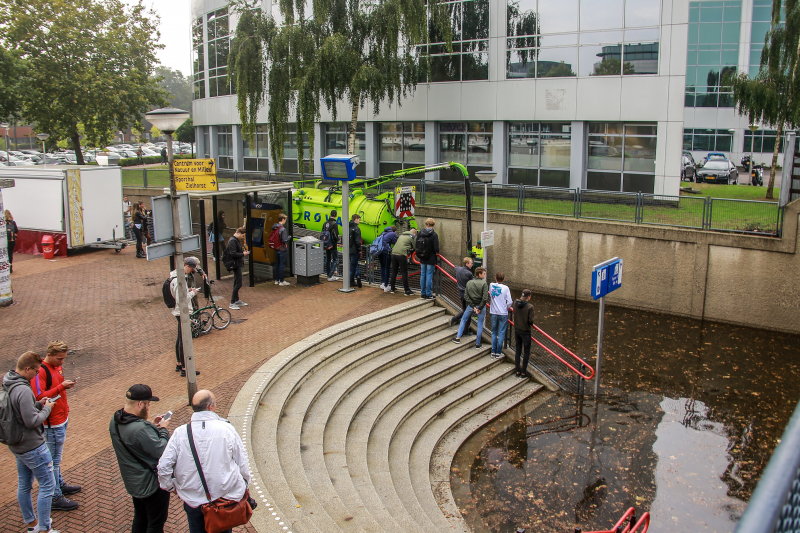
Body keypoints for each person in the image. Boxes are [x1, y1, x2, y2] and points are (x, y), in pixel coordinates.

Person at [158, 390, 251, 533]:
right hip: (223, 501)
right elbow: (242, 461)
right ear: (210, 407)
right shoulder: (226, 430)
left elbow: (163, 467)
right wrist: (244, 484)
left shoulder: (180, 433)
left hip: (193, 501)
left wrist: (172, 487)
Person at [4, 351, 59, 533]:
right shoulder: (23, 389)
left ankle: (31, 524)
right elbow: (31, 421)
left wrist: (37, 405)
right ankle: (44, 528)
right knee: (47, 486)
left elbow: (18, 412)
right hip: (32, 446)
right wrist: (47, 409)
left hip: (17, 445)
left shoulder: (8, 382)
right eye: (35, 371)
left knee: (24, 484)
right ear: (27, 368)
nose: (37, 374)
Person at [110, 384, 172, 533]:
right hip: (151, 484)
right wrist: (163, 428)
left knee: (140, 516)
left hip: (134, 483)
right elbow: (162, 449)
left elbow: (136, 439)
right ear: (140, 404)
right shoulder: (140, 429)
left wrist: (151, 426)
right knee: (156, 523)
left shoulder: (116, 420)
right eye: (148, 404)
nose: (148, 408)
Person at [31, 341, 81, 512]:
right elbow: (39, 397)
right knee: (52, 461)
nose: (62, 363)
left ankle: (58, 485)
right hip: (51, 423)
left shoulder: (56, 367)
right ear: (49, 355)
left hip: (61, 417)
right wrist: (61, 387)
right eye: (59, 359)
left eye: (64, 359)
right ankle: (54, 496)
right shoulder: (41, 372)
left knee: (56, 461)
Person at [170, 258, 202, 377]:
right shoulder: (180, 280)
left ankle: (179, 364)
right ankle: (185, 368)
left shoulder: (173, 276)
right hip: (182, 312)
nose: (191, 272)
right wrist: (192, 293)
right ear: (187, 266)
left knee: (180, 338)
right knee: (184, 340)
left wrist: (188, 291)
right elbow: (181, 300)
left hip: (178, 311)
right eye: (192, 269)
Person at [453, 267, 488, 348]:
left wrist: (473, 306)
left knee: (464, 319)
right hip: (481, 307)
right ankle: (478, 343)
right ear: (480, 274)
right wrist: (479, 307)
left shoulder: (469, 283)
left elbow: (466, 296)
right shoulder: (484, 284)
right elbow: (485, 297)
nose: (485, 275)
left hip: (471, 306)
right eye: (484, 274)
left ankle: (458, 337)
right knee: (480, 324)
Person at [488, 272, 513, 360]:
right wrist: (505, 308)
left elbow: (491, 294)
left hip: (494, 312)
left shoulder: (491, 285)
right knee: (501, 332)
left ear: (495, 278)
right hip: (503, 313)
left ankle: (493, 351)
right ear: (504, 279)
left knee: (494, 332)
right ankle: (499, 352)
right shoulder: (506, 288)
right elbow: (510, 302)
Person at [512, 289, 535, 379]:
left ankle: (517, 370)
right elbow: (531, 321)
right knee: (526, 352)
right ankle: (524, 372)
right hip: (525, 332)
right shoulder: (530, 307)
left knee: (518, 350)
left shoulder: (515, 303)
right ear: (528, 297)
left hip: (517, 330)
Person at [416, 218, 440, 300]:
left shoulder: (420, 233)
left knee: (423, 274)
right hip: (431, 257)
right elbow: (436, 248)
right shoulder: (434, 235)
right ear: (433, 225)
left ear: (426, 224)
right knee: (429, 275)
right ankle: (428, 293)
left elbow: (417, 244)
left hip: (422, 256)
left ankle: (423, 293)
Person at [389, 228, 416, 296]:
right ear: (414, 233)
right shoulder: (413, 236)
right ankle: (406, 290)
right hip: (401, 255)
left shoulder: (401, 235)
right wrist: (411, 249)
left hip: (394, 254)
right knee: (404, 272)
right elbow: (415, 247)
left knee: (394, 271)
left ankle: (392, 288)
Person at [227, 228, 249, 309]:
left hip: (237, 263)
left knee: (236, 282)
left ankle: (236, 300)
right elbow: (233, 254)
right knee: (238, 283)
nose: (243, 237)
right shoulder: (233, 241)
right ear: (239, 233)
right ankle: (232, 302)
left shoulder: (235, 240)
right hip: (236, 264)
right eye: (242, 235)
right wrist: (243, 254)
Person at [450, 257, 474, 326]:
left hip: (461, 293)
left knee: (465, 309)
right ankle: (455, 319)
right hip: (467, 294)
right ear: (467, 264)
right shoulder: (469, 273)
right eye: (471, 263)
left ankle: (464, 328)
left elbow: (455, 267)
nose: (472, 265)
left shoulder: (458, 269)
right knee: (467, 311)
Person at [271, 214, 291, 286]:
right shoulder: (282, 229)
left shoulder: (274, 227)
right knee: (282, 265)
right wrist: (289, 238)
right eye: (285, 219)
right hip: (282, 248)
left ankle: (276, 280)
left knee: (277, 264)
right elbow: (284, 239)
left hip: (276, 248)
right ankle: (281, 281)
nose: (285, 221)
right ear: (283, 219)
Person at [377, 225, 398, 290]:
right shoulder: (393, 234)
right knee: (387, 268)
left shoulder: (382, 233)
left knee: (382, 266)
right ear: (395, 231)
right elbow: (396, 243)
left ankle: (383, 283)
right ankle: (386, 286)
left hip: (379, 250)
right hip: (386, 251)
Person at [321, 210, 339, 281]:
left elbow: (322, 232)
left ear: (330, 214)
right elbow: (335, 235)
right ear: (336, 215)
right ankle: (330, 275)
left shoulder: (325, 223)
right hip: (333, 245)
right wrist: (338, 239)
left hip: (326, 243)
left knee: (328, 259)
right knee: (336, 259)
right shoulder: (334, 224)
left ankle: (328, 273)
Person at [348, 214, 362, 288]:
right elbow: (357, 241)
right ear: (356, 219)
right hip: (355, 250)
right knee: (354, 265)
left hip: (349, 249)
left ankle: (355, 277)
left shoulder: (348, 227)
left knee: (353, 265)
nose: (359, 221)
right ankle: (352, 280)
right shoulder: (356, 229)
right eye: (359, 219)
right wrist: (359, 249)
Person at [5, 209, 18, 273]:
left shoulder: (2, 223)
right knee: (10, 253)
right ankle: (10, 268)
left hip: (5, 240)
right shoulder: (13, 222)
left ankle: (4, 268)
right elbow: (16, 231)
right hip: (12, 240)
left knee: (4, 254)